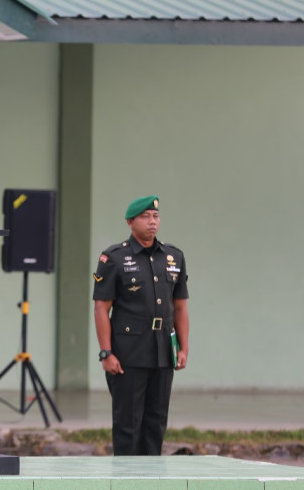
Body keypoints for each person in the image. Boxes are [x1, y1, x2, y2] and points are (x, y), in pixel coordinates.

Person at [92, 195, 190, 456]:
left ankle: (151, 480)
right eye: (145, 217)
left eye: (155, 216)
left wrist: (183, 347)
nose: (152, 222)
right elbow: (101, 307)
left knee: (156, 422)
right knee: (128, 424)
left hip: (162, 351)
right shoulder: (114, 257)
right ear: (130, 222)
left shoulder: (173, 256)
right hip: (128, 352)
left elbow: (180, 306)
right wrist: (106, 352)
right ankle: (126, 481)